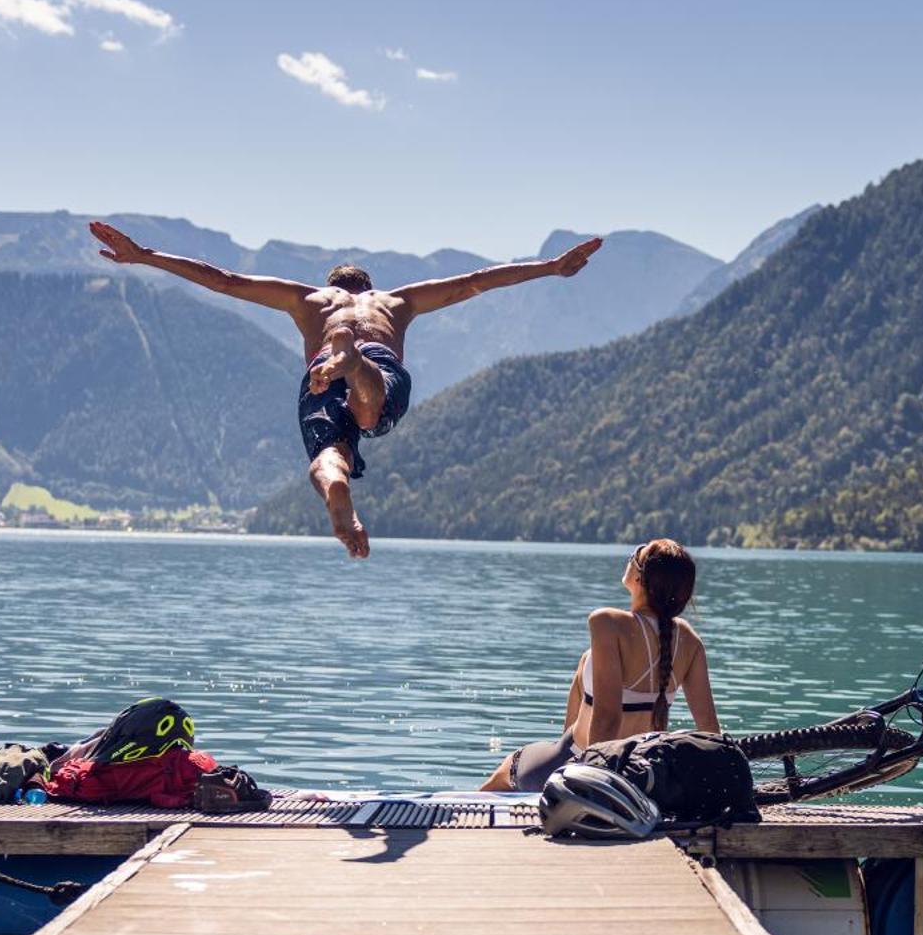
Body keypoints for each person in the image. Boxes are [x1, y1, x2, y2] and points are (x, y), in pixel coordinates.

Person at [88, 221, 601, 557]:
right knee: (371, 409)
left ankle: (340, 482)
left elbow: (223, 280)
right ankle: (355, 365)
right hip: (377, 366)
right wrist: (551, 268)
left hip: (320, 371)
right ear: (368, 288)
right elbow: (476, 281)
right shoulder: (396, 302)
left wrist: (146, 255)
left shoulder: (309, 299)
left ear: (334, 287)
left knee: (327, 456)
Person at [481, 539, 720, 792]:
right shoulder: (689, 640)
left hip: (587, 767)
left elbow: (607, 718)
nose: (630, 556)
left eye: (636, 553)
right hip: (641, 771)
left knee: (505, 772)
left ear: (640, 578)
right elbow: (710, 730)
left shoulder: (608, 622)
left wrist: (595, 788)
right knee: (585, 660)